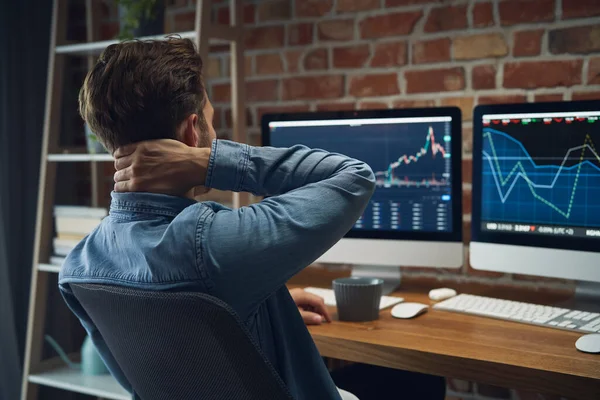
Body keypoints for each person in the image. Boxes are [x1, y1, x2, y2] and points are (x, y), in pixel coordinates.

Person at [59, 37, 445, 400]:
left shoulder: (79, 266)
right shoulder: (211, 243)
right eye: (210, 120)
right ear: (192, 132)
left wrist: (257, 308)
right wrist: (208, 162)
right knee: (419, 378)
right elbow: (354, 176)